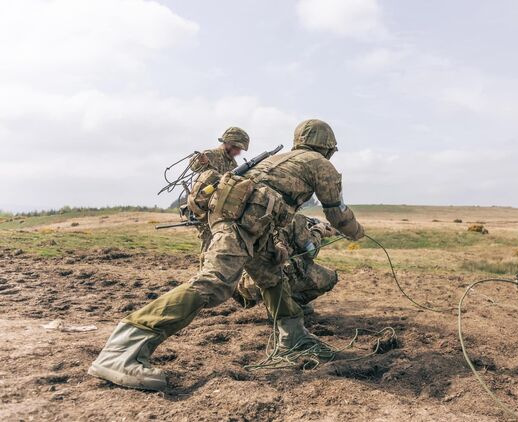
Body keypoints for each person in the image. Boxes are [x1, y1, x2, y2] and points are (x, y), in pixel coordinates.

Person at [88, 119, 365, 391]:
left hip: (250, 223)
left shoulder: (280, 159)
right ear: (327, 147)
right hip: (241, 223)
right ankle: (122, 349)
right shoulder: (321, 165)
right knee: (215, 283)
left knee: (271, 273)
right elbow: (338, 214)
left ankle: (293, 336)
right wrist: (357, 232)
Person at [233, 214, 339, 316]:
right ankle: (288, 307)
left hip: (246, 284)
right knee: (331, 277)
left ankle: (266, 303)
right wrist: (319, 231)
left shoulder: (252, 216)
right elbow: (311, 252)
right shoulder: (294, 219)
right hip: (276, 280)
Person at [188, 127, 250, 255]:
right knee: (209, 246)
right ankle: (204, 274)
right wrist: (200, 161)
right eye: (237, 148)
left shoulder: (233, 164)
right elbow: (194, 166)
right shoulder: (211, 154)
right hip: (205, 208)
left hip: (220, 209)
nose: (238, 152)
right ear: (228, 143)